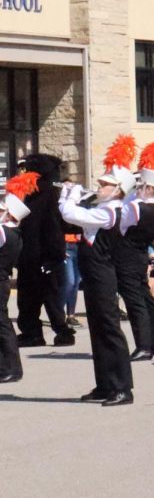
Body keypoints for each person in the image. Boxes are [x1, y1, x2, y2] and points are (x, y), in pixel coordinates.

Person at [59, 142, 139, 407]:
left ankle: (122, 388)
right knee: (97, 330)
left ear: (117, 190)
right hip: (93, 276)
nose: (99, 187)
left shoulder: (109, 210)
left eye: (105, 184)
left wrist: (68, 194)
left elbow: (70, 214)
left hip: (103, 276)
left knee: (109, 330)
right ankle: (105, 384)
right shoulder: (101, 207)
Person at [15, 154, 74, 348]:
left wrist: (53, 256)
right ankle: (34, 333)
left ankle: (60, 331)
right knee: (36, 297)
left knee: (46, 296)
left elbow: (53, 228)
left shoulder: (48, 193)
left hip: (43, 254)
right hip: (32, 254)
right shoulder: (35, 192)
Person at [113, 163, 154, 361]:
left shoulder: (136, 207)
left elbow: (119, 227)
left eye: (140, 186)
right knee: (145, 298)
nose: (136, 189)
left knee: (134, 301)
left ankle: (144, 346)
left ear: (147, 188)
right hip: (140, 255)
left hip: (126, 255)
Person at [0, 179, 35, 384]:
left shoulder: (5, 231)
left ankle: (11, 368)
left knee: (3, 326)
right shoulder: (15, 232)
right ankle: (8, 366)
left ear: (9, 214)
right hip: (3, 279)